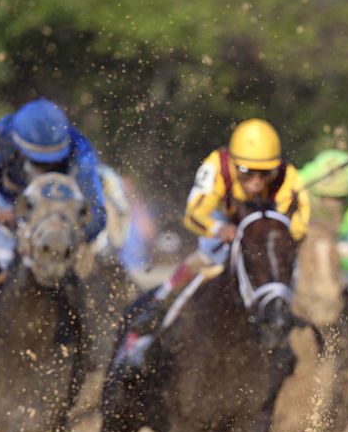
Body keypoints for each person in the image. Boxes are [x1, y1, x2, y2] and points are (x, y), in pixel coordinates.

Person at [117, 118, 309, 366]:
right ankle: (156, 312)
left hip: (262, 240)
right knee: (203, 260)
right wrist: (219, 228)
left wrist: (259, 232)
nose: (256, 182)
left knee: (286, 274)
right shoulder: (217, 165)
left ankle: (286, 339)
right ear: (233, 163)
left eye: (265, 174)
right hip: (223, 229)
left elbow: (297, 228)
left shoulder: (288, 177)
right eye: (247, 172)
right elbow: (194, 213)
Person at [0, 98, 107, 275]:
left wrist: (72, 234)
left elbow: (97, 214)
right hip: (6, 207)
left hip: (60, 216)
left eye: (52, 162)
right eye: (37, 161)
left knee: (98, 264)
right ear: (17, 145)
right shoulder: (1, 136)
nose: (43, 168)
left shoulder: (81, 152)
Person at [299, 149, 348, 277]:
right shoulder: (298, 182)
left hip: (339, 256)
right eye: (324, 197)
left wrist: (336, 261)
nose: (331, 205)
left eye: (338, 199)